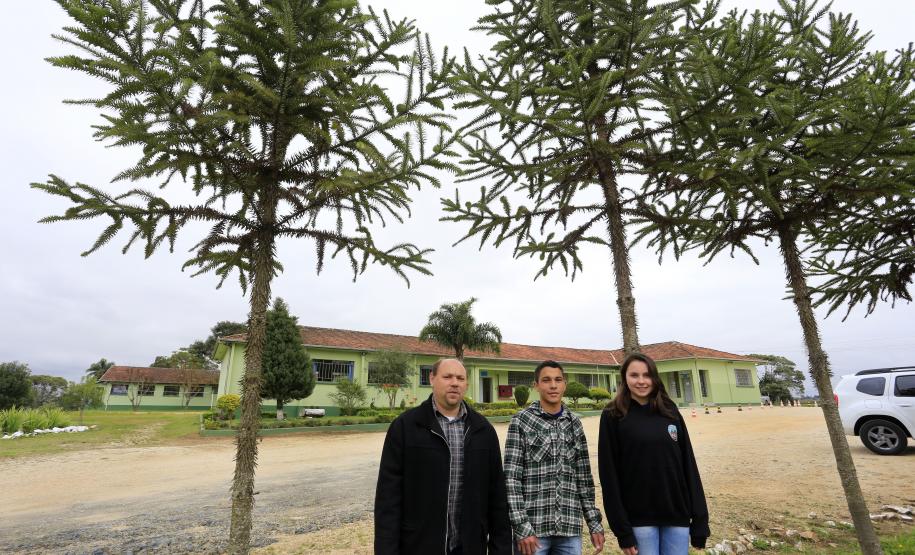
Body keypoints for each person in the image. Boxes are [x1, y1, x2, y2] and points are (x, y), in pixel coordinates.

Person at [374, 358, 512, 555]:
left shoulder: (483, 430)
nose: (454, 382)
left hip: (469, 546)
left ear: (466, 384)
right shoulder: (405, 427)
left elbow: (497, 497)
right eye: (447, 376)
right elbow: (388, 499)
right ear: (432, 378)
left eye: (460, 378)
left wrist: (501, 549)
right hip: (418, 545)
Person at [597, 353, 709, 555]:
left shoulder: (670, 410)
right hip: (639, 520)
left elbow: (688, 465)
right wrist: (623, 531)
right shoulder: (613, 415)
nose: (641, 381)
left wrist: (700, 520)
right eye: (634, 375)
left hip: (677, 516)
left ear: (654, 378)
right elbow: (609, 476)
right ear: (625, 378)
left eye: (647, 375)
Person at [504, 360, 605, 555]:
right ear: (536, 385)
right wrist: (522, 526)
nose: (553, 385)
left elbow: (583, 479)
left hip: (569, 528)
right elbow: (511, 478)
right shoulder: (521, 421)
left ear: (564, 384)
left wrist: (594, 523)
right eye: (546, 380)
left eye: (558, 380)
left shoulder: (574, 423)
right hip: (533, 530)